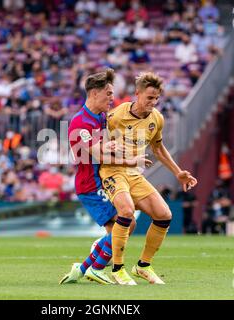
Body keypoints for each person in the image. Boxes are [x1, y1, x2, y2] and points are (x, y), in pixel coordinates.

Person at [99, 72, 197, 285]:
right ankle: (117, 269)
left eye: (157, 98)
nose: (154, 102)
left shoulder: (156, 119)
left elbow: (158, 148)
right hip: (112, 171)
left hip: (134, 174)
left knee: (164, 215)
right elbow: (98, 148)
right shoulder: (116, 116)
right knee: (126, 212)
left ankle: (143, 266)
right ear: (137, 94)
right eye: (149, 98)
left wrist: (178, 172)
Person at [59, 69, 147, 285]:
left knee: (119, 228)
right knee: (128, 223)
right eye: (108, 93)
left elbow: (108, 147)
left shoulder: (99, 117)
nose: (111, 98)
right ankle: (95, 267)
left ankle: (82, 269)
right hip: (91, 184)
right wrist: (126, 158)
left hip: (102, 180)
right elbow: (98, 153)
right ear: (94, 93)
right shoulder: (81, 123)